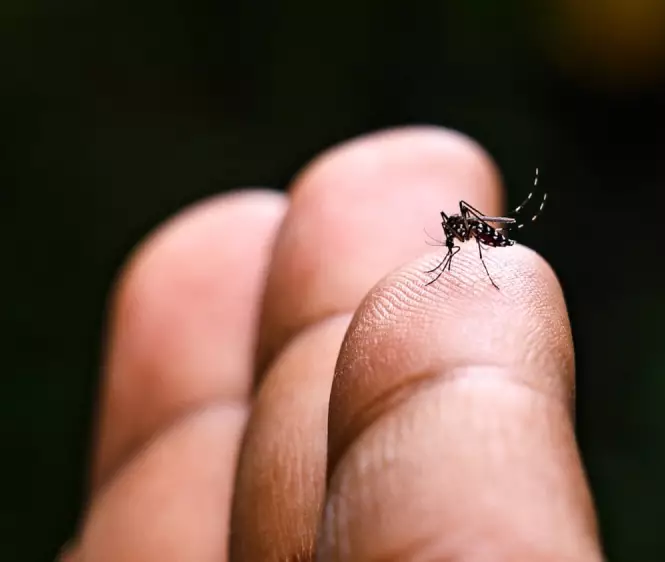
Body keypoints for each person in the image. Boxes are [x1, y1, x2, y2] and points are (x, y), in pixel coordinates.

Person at [62, 127, 604, 561]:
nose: (450, 238)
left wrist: (478, 240)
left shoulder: (468, 236)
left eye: (453, 236)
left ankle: (515, 218)